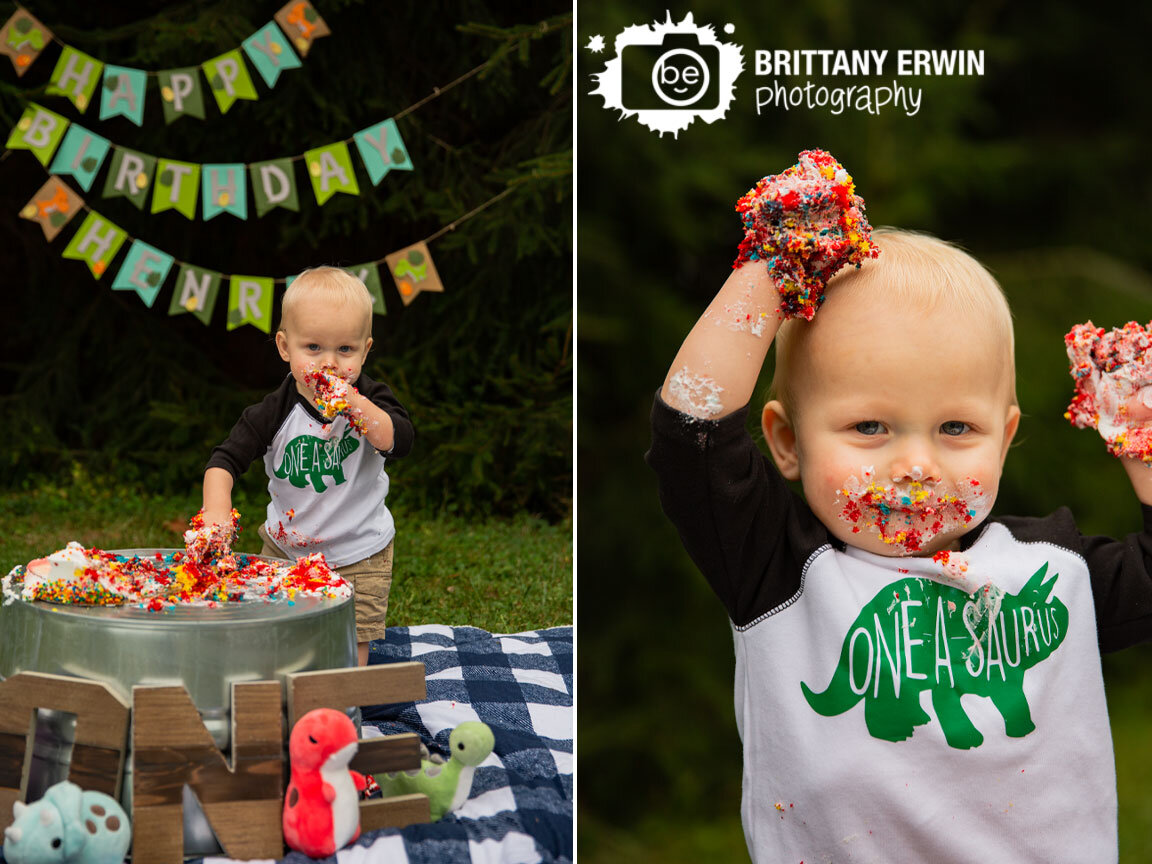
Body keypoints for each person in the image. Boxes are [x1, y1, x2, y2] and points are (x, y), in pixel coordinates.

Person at [647, 228, 1152, 862]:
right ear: (785, 442)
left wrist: (1143, 444)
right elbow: (691, 439)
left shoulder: (1055, 567)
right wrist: (770, 266)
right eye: (869, 427)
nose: (916, 464)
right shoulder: (778, 570)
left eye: (956, 427)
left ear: (1003, 437)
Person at [203, 266, 414, 666]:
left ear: (366, 350)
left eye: (345, 351)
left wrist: (353, 404)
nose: (330, 364)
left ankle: (342, 707)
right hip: (286, 548)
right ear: (285, 347)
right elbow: (224, 461)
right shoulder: (273, 411)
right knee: (279, 636)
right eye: (313, 348)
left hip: (360, 550)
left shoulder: (369, 397)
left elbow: (397, 440)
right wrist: (216, 511)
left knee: (351, 641)